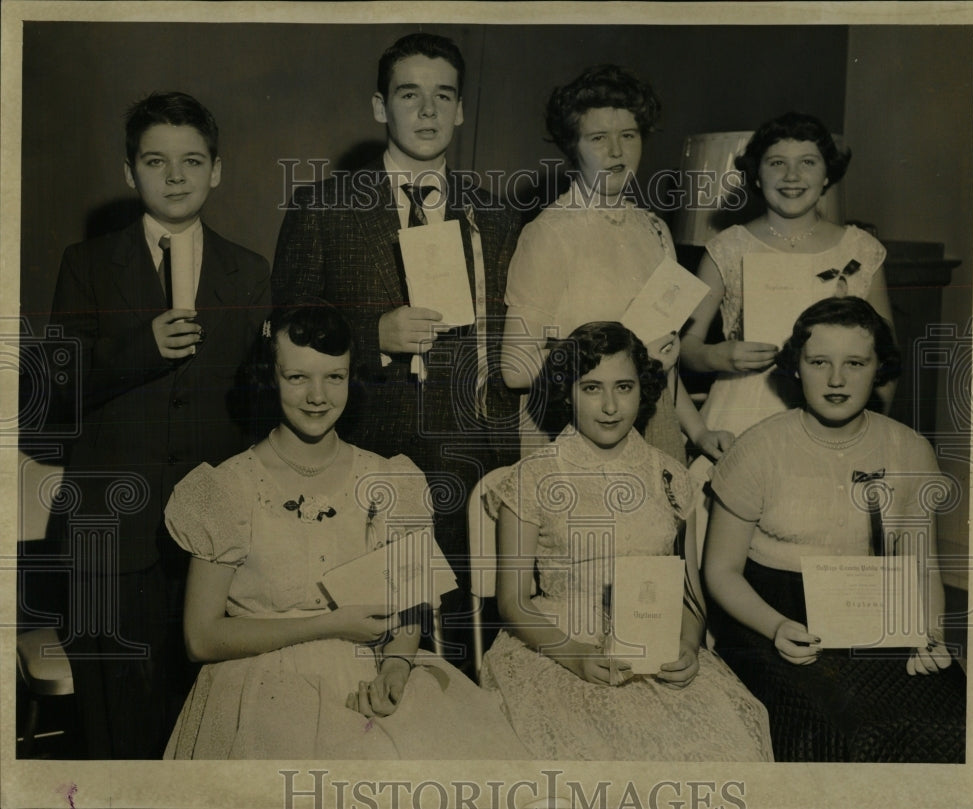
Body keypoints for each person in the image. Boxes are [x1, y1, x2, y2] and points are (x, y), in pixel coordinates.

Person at [162, 302, 529, 759]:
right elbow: (200, 638)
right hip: (259, 685)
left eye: (334, 377)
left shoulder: (392, 480)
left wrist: (396, 666)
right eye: (298, 377)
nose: (318, 396)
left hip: (372, 672)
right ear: (269, 377)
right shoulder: (227, 489)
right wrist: (328, 624)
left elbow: (413, 606)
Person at [47, 91, 270, 758]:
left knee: (203, 724)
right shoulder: (86, 266)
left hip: (210, 542)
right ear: (128, 172)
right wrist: (140, 347)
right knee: (114, 729)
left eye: (192, 161)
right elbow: (56, 392)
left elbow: (258, 409)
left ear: (217, 170)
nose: (175, 176)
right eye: (155, 161)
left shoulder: (249, 270)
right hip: (109, 538)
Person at [272, 33, 521, 620]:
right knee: (364, 639)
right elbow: (282, 333)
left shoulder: (498, 216)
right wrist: (370, 336)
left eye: (443, 96)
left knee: (457, 644)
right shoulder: (323, 208)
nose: (428, 111)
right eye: (410, 95)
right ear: (380, 106)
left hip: (468, 461)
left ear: (461, 109)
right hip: (356, 454)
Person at [481, 321, 773, 761]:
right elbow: (513, 601)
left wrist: (689, 645)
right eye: (592, 388)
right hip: (558, 643)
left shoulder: (669, 474)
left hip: (653, 640)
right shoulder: (534, 476)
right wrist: (575, 655)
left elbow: (689, 590)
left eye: (624, 386)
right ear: (567, 392)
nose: (611, 406)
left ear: (645, 388)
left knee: (725, 743)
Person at [702, 297, 966, 762]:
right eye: (819, 361)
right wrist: (777, 626)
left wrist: (929, 633)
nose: (837, 379)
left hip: (875, 606)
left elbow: (923, 565)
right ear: (796, 367)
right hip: (771, 615)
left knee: (953, 722)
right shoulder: (758, 448)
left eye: (856, 363)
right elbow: (721, 571)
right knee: (844, 731)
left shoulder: (910, 449)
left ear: (880, 367)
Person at [501, 65, 731, 463]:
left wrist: (699, 431)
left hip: (654, 430)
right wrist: (631, 360)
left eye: (628, 135)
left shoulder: (655, 230)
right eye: (598, 138)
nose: (616, 152)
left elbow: (666, 363)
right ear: (573, 146)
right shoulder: (549, 233)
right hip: (573, 433)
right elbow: (516, 368)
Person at [680, 111, 895, 441]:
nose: (792, 175)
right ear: (756, 175)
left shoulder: (861, 250)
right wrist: (718, 355)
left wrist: (873, 430)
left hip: (836, 414)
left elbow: (887, 356)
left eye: (808, 162)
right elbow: (685, 346)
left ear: (827, 175)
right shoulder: (726, 248)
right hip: (744, 413)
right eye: (777, 163)